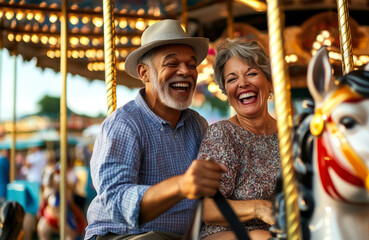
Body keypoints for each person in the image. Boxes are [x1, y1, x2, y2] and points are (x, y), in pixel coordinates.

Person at [84, 19, 225, 240]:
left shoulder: (198, 125)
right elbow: (116, 201)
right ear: (145, 73)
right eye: (171, 63)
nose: (185, 71)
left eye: (191, 64)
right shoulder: (124, 124)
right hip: (124, 235)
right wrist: (181, 185)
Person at [198, 38, 280, 240]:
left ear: (269, 81)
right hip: (228, 232)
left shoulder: (288, 135)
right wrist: (258, 208)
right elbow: (207, 209)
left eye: (251, 73)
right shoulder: (223, 134)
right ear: (226, 91)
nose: (243, 83)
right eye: (232, 79)